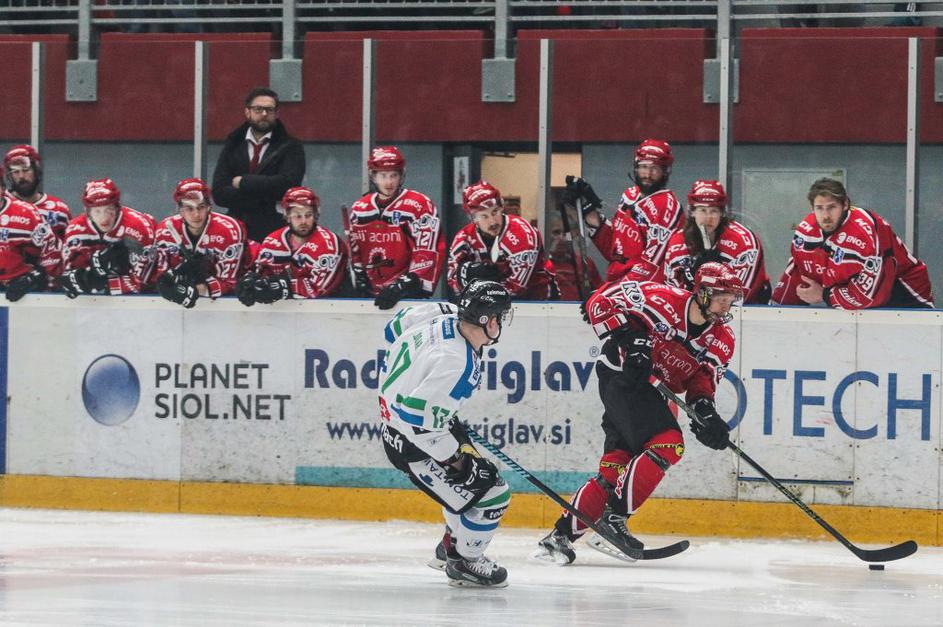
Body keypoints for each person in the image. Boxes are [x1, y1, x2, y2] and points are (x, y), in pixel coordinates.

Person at [535, 262, 743, 564]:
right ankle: (614, 519)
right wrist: (629, 337)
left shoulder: (723, 339)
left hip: (651, 392)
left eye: (730, 300)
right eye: (721, 298)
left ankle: (559, 538)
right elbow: (599, 302)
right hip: (621, 375)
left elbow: (702, 381)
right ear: (702, 293)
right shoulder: (661, 298)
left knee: (616, 468)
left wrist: (706, 413)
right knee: (668, 443)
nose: (726, 306)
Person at [378, 281, 514, 587]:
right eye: (499, 316)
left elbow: (392, 329)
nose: (500, 323)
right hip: (411, 443)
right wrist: (456, 462)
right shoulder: (456, 364)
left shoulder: (444, 313)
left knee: (472, 483)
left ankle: (450, 544)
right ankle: (464, 562)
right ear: (488, 320)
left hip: (411, 424)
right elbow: (417, 421)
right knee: (494, 495)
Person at [772, 178, 933, 309]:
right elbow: (798, 272)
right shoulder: (805, 232)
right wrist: (778, 310)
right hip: (848, 294)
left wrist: (824, 295)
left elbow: (871, 296)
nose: (826, 216)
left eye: (832, 207)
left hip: (904, 294)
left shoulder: (864, 234)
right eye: (819, 208)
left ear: (845, 204)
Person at [564, 139, 685, 283]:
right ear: (635, 167)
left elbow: (652, 266)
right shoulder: (629, 195)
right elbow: (616, 251)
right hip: (620, 282)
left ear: (665, 172)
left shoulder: (667, 206)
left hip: (645, 288)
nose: (647, 174)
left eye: (655, 169)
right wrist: (588, 209)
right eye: (644, 167)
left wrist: (615, 290)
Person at [347, 146, 444, 310]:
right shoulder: (360, 208)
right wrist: (358, 276)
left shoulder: (419, 205)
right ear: (373, 176)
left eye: (394, 175)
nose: (389, 182)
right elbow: (355, 250)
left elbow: (428, 250)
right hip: (370, 295)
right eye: (383, 176)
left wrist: (405, 284)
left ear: (401, 176)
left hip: (408, 296)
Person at [211, 87, 305, 242]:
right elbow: (219, 193)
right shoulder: (233, 144)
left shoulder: (291, 146)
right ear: (247, 112)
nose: (264, 114)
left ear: (277, 114)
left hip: (274, 230)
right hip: (235, 229)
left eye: (269, 110)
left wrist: (243, 182)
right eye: (258, 109)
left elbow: (288, 186)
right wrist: (263, 195)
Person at [447, 180, 557, 301]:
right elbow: (452, 279)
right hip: (486, 303)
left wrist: (481, 290)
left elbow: (517, 287)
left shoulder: (522, 234)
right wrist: (466, 276)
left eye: (495, 212)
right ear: (473, 219)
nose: (492, 221)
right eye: (484, 216)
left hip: (539, 302)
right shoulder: (463, 238)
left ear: (502, 208)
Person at [236, 186, 347, 305]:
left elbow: (319, 289)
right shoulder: (272, 241)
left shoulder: (328, 244)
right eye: (297, 216)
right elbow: (263, 276)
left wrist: (284, 287)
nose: (303, 221)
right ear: (287, 216)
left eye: (308, 215)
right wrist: (252, 284)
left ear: (315, 215)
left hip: (328, 310)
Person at [664, 180, 771, 304]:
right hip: (695, 310)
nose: (708, 218)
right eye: (702, 210)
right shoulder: (677, 242)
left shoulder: (743, 242)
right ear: (692, 211)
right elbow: (672, 294)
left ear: (722, 213)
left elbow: (739, 297)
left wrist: (715, 278)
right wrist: (693, 280)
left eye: (713, 211)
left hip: (750, 310)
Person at [153, 178, 247, 308]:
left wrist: (196, 290)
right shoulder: (165, 230)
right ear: (180, 210)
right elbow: (162, 277)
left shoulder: (228, 230)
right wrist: (171, 285)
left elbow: (230, 283)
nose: (196, 214)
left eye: (201, 207)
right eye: (189, 208)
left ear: (209, 207)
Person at [59, 178, 157, 297]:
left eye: (109, 209)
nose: (104, 218)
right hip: (93, 304)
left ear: (117, 207)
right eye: (97, 211)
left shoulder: (138, 226)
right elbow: (67, 278)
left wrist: (101, 284)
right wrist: (88, 278)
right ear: (87, 212)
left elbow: (144, 281)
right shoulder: (74, 230)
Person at [0, 170, 61, 301]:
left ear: (3, 188)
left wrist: (33, 278)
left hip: (22, 289)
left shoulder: (26, 213)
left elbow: (52, 250)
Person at [3, 145, 72, 240]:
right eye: (15, 172)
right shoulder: (2, 204)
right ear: (9, 176)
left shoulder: (59, 210)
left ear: (36, 170)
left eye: (26, 170)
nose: (21, 176)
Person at [546, 210, 603, 302]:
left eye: (566, 234)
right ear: (546, 235)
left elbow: (601, 295)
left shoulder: (585, 263)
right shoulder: (541, 265)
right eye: (556, 233)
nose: (562, 238)